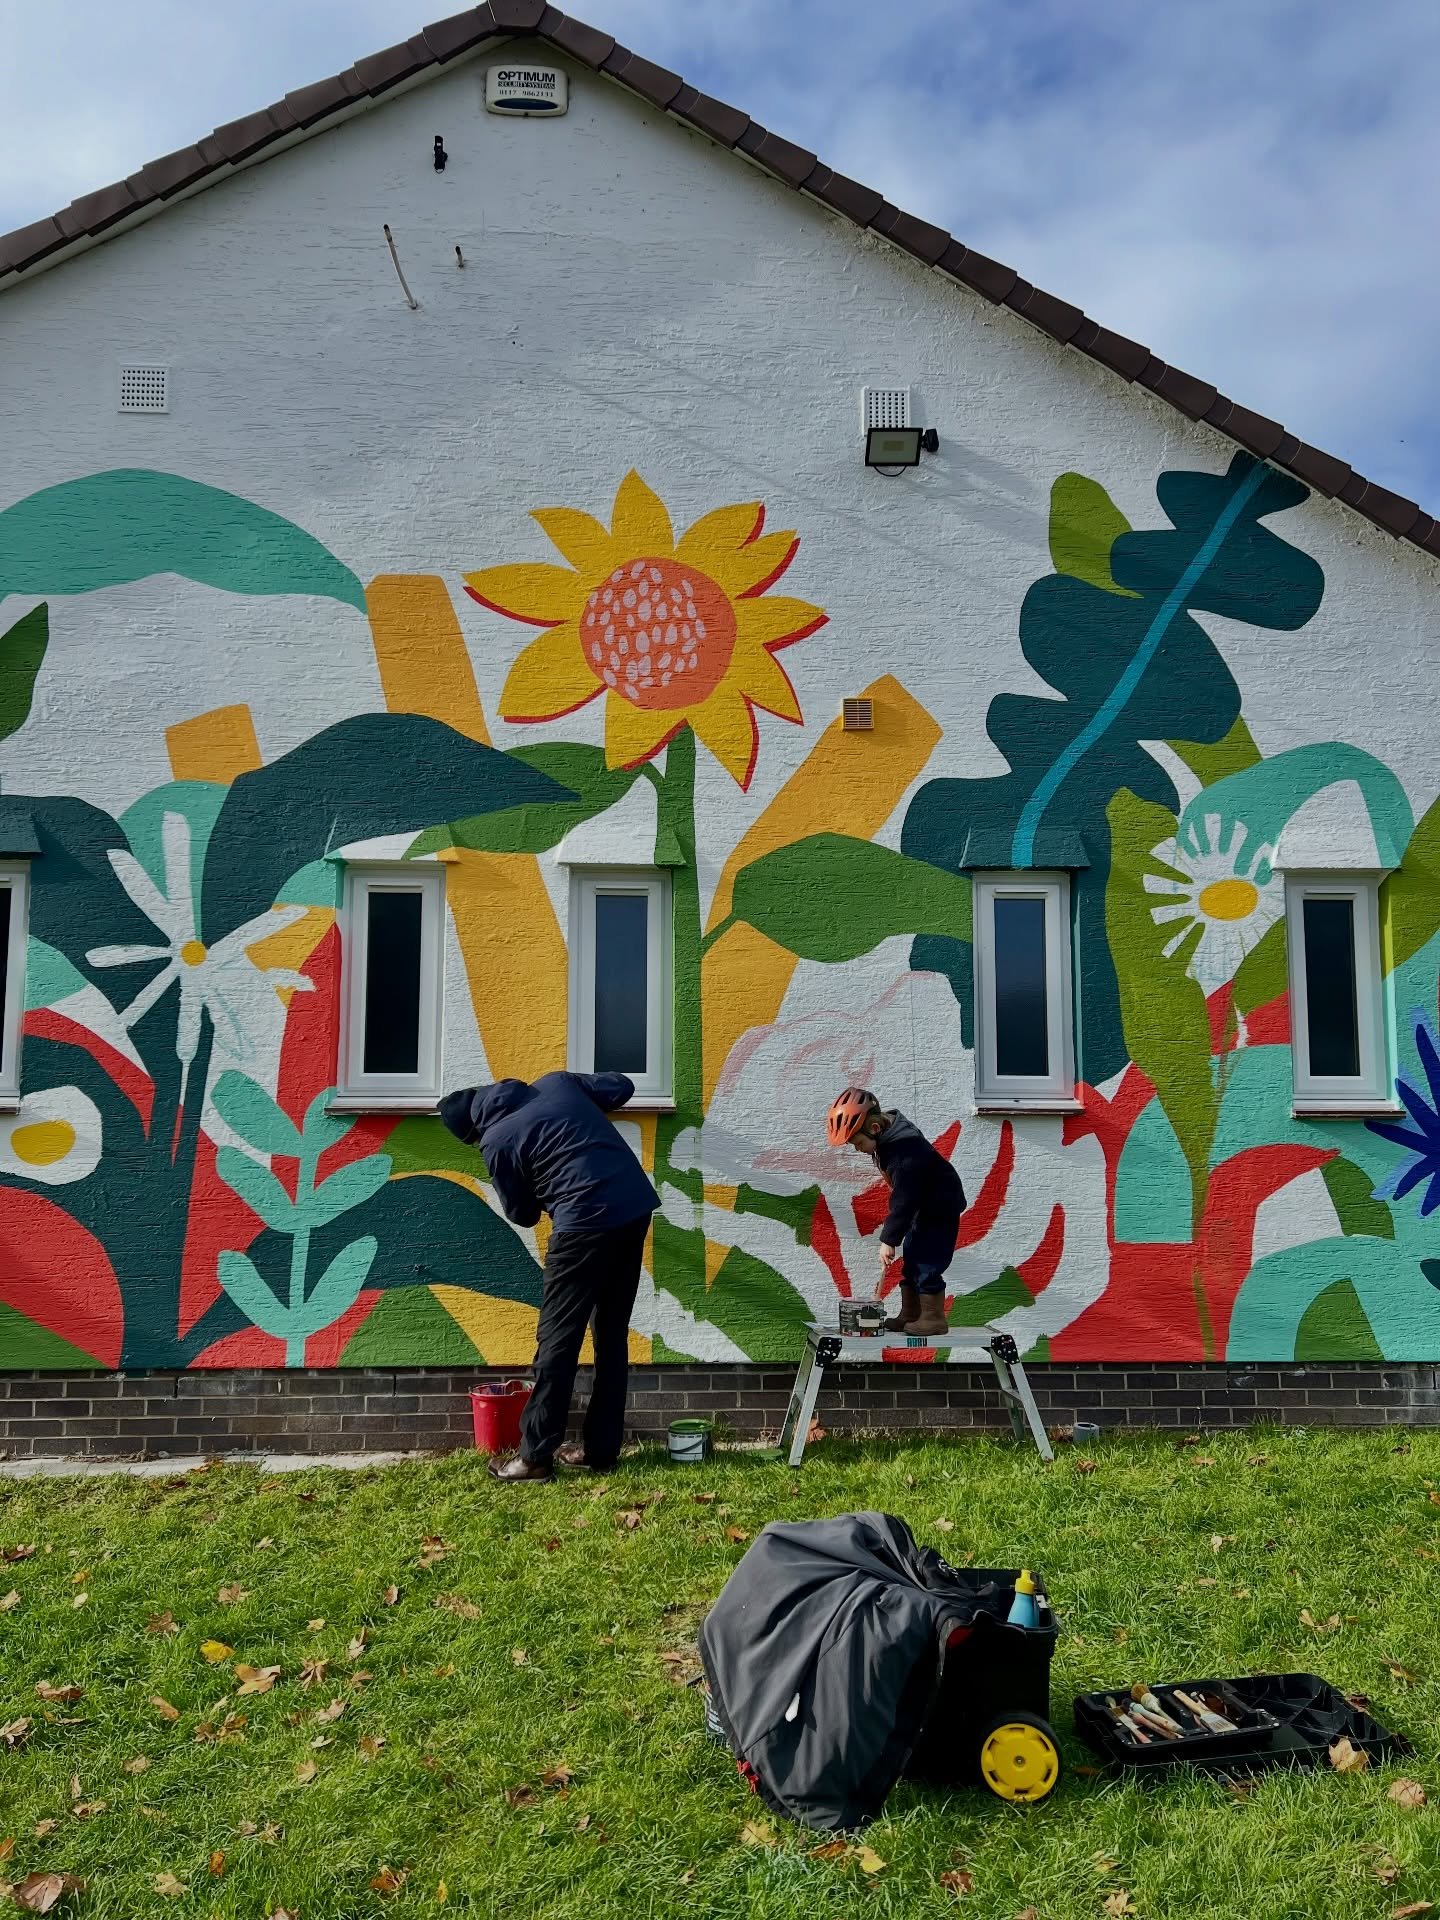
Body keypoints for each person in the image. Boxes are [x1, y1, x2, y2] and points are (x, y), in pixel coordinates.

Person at [439, 1071, 659, 1483]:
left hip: (581, 1226)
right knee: (611, 1334)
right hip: (633, 1209)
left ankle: (535, 1456)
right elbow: (622, 1087)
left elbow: (522, 1214)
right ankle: (600, 1451)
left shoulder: (496, 1140)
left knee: (557, 1340)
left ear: (473, 1131)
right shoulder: (558, 1083)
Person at [826, 1088, 966, 1338]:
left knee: (928, 1261)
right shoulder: (891, 1139)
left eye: (858, 1143)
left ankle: (933, 1319)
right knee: (912, 1258)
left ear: (875, 1128)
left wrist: (888, 1240)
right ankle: (911, 1313)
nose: (858, 1150)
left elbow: (904, 1199)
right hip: (923, 1208)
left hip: (939, 1207)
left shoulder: (904, 1154)